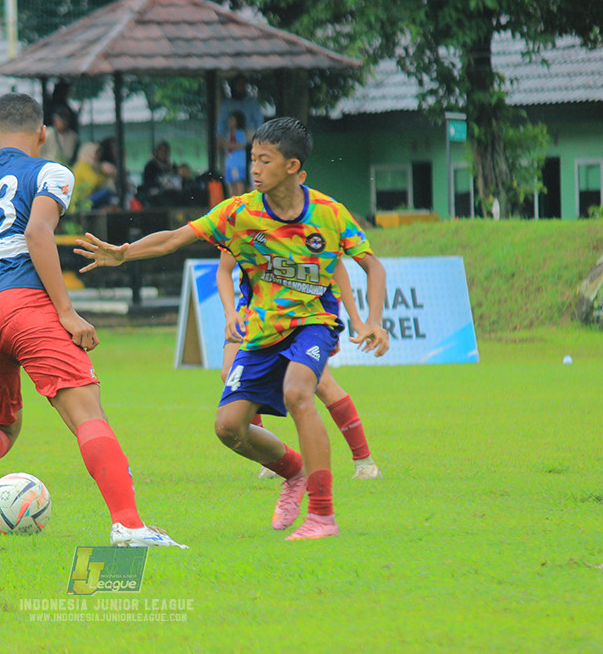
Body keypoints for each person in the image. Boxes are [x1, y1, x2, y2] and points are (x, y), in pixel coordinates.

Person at [75, 117, 388, 540]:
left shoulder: (330, 214)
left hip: (313, 323)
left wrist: (373, 321)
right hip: (260, 333)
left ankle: (322, 515)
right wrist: (124, 253)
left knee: (300, 391)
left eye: (265, 160)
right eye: (252, 159)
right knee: (229, 428)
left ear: (293, 166)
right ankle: (292, 471)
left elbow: (371, 265)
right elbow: (173, 238)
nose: (254, 168)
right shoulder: (238, 212)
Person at [0, 93, 186, 549]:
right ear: (43, 134)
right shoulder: (49, 171)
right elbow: (37, 232)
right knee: (87, 416)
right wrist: (66, 311)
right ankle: (130, 527)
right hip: (24, 305)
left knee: (1, 425)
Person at [217, 248, 386, 482]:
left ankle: (364, 461)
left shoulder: (306, 220)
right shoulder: (239, 217)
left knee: (323, 385)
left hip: (300, 316)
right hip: (252, 313)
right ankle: (271, 459)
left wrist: (356, 319)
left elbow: (338, 266)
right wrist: (229, 313)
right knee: (229, 374)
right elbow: (224, 269)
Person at [138, 140, 193, 206]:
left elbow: (180, 179)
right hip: (157, 196)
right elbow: (148, 183)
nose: (163, 153)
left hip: (173, 194)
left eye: (165, 151)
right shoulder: (150, 166)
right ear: (157, 151)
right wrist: (162, 185)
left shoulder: (172, 165)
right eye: (161, 150)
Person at [216, 75, 264, 142]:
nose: (240, 87)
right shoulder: (227, 104)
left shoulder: (252, 103)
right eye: (238, 85)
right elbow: (222, 121)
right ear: (233, 86)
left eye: (242, 85)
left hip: (249, 136)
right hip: (231, 135)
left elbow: (259, 121)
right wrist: (219, 136)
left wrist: (259, 138)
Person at [223, 111, 248, 197]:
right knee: (232, 183)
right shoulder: (229, 133)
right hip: (230, 162)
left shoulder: (240, 133)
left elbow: (242, 144)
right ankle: (233, 201)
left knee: (238, 181)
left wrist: (230, 145)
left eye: (232, 119)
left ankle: (240, 200)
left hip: (237, 162)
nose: (229, 121)